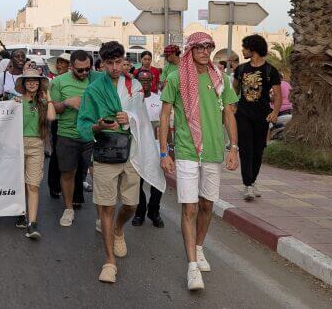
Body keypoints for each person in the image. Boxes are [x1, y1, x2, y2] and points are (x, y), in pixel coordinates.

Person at [159, 32, 239, 290]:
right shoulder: (176, 78)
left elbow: (229, 114)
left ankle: (199, 247)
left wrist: (234, 148)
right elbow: (165, 116)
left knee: (207, 205)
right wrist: (164, 152)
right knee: (189, 208)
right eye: (200, 47)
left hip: (214, 151)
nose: (205, 51)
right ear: (190, 50)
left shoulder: (221, 79)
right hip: (186, 150)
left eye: (209, 47)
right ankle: (192, 267)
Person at [77, 41, 144, 284]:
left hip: (131, 152)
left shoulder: (134, 86)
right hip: (105, 152)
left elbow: (144, 119)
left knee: (131, 205)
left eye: (118, 62)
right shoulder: (94, 89)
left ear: (125, 61)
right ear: (103, 64)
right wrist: (97, 126)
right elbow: (83, 124)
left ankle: (118, 229)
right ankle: (109, 261)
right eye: (110, 63)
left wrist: (130, 118)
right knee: (106, 206)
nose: (115, 67)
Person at [50, 50, 99, 226]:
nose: (85, 73)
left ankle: (102, 217)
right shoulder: (58, 82)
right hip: (67, 135)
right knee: (68, 173)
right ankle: (68, 209)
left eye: (87, 69)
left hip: (92, 135)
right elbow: (52, 109)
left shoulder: (96, 79)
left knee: (98, 175)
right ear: (71, 67)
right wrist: (66, 103)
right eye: (80, 70)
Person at [232, 35, 281, 201]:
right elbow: (234, 90)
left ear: (253, 49)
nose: (242, 50)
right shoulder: (241, 69)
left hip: (262, 116)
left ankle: (252, 181)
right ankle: (247, 184)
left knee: (258, 150)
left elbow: (278, 95)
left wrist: (275, 113)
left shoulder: (270, 71)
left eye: (245, 47)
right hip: (243, 115)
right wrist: (232, 105)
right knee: (246, 149)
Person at [13, 68, 56, 239]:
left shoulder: (43, 103)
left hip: (36, 145)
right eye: (28, 80)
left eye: (35, 80)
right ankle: (21, 212)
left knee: (33, 185)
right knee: (20, 183)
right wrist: (15, 102)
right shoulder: (16, 101)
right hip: (17, 145)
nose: (32, 83)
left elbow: (51, 117)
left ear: (39, 84)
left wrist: (49, 98)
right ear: (24, 83)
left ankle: (32, 224)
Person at [132, 67, 165, 229]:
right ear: (136, 81)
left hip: (157, 146)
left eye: (148, 80)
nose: (145, 82)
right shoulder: (130, 100)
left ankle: (154, 211)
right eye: (141, 80)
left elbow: (165, 125)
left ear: (152, 82)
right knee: (136, 182)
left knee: (157, 181)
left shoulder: (159, 100)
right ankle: (140, 211)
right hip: (137, 147)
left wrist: (169, 149)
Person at [47, 54, 72, 199]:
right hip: (58, 120)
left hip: (72, 121)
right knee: (57, 154)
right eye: (59, 62)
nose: (60, 65)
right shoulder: (55, 82)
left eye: (63, 62)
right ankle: (54, 186)